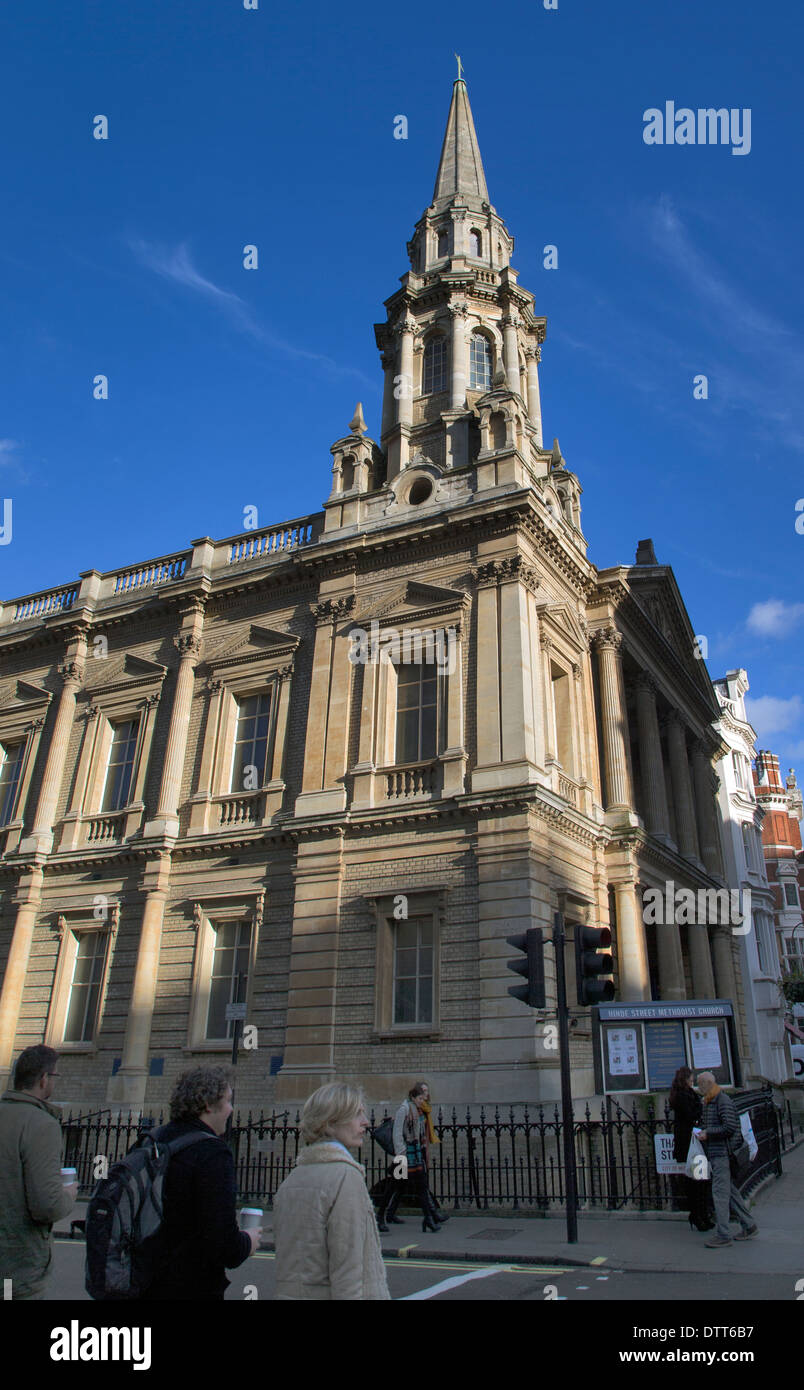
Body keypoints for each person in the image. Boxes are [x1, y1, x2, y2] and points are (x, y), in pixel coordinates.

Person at [142, 1066, 260, 1300]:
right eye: (227, 1100)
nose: (231, 1109)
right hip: (189, 1286)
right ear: (208, 1104)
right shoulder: (212, 1154)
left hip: (141, 1282)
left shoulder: (151, 1141)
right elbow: (224, 1245)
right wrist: (248, 1241)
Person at [273, 1082, 390, 1300]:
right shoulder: (346, 1177)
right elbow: (348, 1271)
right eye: (356, 1114)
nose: (365, 1122)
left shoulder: (292, 1179)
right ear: (329, 1123)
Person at [0, 1045, 78, 1300]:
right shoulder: (41, 1125)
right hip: (13, 1270)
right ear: (44, 1079)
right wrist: (68, 1193)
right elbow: (46, 1205)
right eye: (55, 1076)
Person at [696, 1071, 758, 1249]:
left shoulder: (722, 1101)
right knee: (730, 1192)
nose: (699, 1088)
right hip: (715, 1153)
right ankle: (749, 1225)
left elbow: (730, 1127)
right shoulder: (710, 1101)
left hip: (722, 1153)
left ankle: (723, 1234)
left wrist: (708, 1133)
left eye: (700, 1084)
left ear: (708, 1083)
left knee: (720, 1194)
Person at [392, 1082, 442, 1233]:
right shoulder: (404, 1109)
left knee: (421, 1186)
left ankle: (428, 1218)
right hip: (404, 1155)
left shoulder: (419, 1110)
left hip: (416, 1153)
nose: (422, 1100)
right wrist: (401, 1154)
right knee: (395, 1186)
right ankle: (383, 1215)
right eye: (420, 1098)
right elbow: (397, 1133)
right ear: (413, 1097)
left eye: (423, 1098)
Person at [668, 1066, 713, 1232]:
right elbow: (691, 1114)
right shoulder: (681, 1096)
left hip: (694, 1142)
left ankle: (702, 1214)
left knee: (701, 1180)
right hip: (690, 1144)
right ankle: (697, 1215)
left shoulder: (688, 1094)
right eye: (691, 1079)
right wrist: (700, 1106)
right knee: (696, 1181)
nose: (693, 1082)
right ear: (685, 1079)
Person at [417, 1081, 448, 1224]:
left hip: (416, 1153)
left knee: (398, 1185)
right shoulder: (407, 1109)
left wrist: (426, 1150)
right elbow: (400, 1134)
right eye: (423, 1091)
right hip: (405, 1155)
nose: (425, 1094)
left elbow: (425, 1133)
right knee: (399, 1183)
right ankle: (432, 1215)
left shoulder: (424, 1110)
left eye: (427, 1091)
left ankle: (387, 1214)